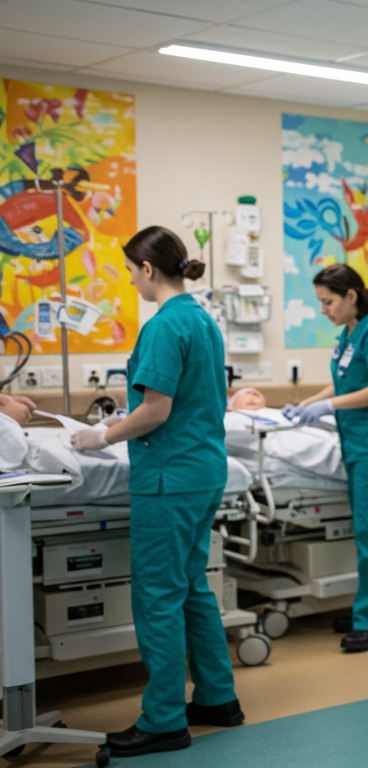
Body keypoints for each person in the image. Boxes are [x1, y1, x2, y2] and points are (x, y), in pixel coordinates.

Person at [69, 226, 243, 757]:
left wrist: (100, 435)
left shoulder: (166, 325)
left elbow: (157, 410)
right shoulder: (201, 319)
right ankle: (217, 697)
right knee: (191, 586)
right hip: (202, 471)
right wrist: (130, 420)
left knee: (160, 595)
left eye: (129, 270)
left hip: (168, 479)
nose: (129, 279)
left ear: (148, 269)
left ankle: (164, 719)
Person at [283, 264, 368, 652]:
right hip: (361, 445)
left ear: (351, 296)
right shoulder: (350, 334)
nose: (324, 310)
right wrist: (311, 401)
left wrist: (327, 407)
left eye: (328, 301)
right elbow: (346, 379)